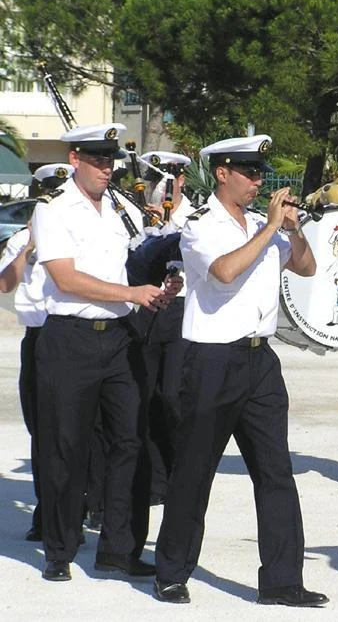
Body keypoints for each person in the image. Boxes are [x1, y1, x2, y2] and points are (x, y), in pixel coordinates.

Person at [152, 134, 326, 607]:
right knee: (194, 470)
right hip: (210, 359)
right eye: (249, 173)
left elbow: (307, 268)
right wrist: (269, 229)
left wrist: (292, 229)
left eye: (260, 175)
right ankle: (171, 570)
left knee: (276, 472)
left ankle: (283, 581)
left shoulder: (259, 224)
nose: (257, 182)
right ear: (222, 173)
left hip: (259, 360)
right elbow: (224, 273)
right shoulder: (199, 224)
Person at [31, 124, 179, 582]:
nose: (106, 169)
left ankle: (121, 548)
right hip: (69, 339)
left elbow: (129, 269)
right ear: (75, 160)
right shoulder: (53, 212)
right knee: (67, 446)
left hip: (119, 337)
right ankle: (60, 549)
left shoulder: (118, 211)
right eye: (97, 160)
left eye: (109, 161)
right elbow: (66, 280)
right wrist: (130, 292)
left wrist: (158, 291)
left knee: (131, 442)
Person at [0, 164, 72, 542]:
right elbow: (5, 284)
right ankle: (47, 512)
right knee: (43, 431)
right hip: (40, 338)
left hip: (75, 335)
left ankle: (82, 507)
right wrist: (27, 247)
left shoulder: (80, 231)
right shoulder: (21, 241)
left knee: (81, 430)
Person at [134, 151, 195, 503]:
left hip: (181, 310)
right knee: (145, 397)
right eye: (154, 180)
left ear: (181, 181)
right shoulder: (137, 216)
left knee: (173, 395)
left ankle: (179, 471)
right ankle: (155, 480)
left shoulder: (195, 218)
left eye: (167, 181)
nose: (159, 189)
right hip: (145, 309)